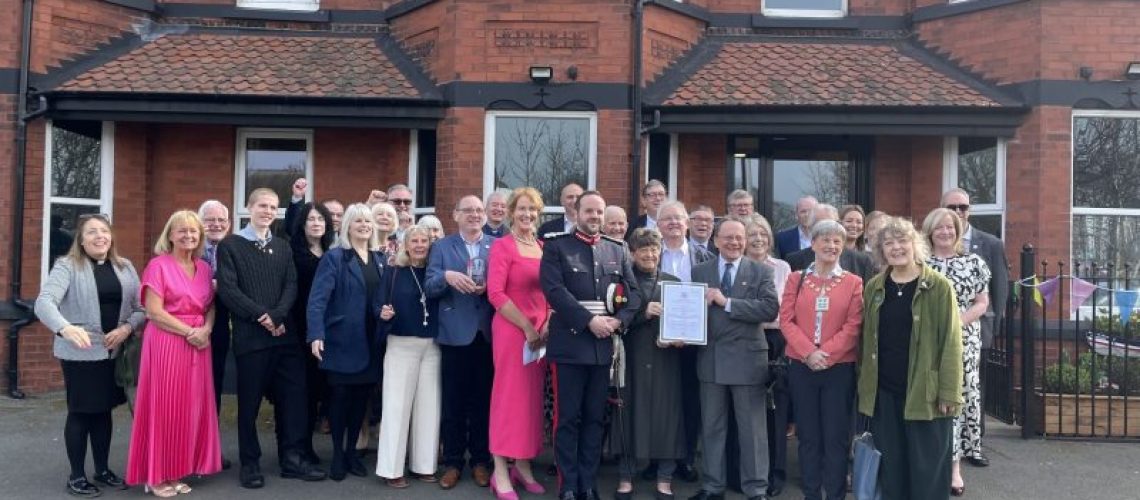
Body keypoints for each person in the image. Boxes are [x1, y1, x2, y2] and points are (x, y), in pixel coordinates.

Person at [215, 188, 325, 489]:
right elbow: (228, 289)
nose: (267, 211)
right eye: (262, 205)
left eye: (273, 207)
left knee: (294, 400)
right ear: (249, 207)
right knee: (248, 406)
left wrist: (277, 316)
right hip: (252, 340)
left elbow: (291, 285)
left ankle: (292, 459)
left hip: (285, 339)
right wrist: (263, 316)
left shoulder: (283, 246)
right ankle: (250, 464)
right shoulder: (230, 246)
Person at [35, 213, 145, 498]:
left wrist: (126, 328)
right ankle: (76, 476)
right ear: (81, 240)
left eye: (104, 231)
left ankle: (102, 469)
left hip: (115, 352)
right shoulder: (67, 266)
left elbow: (141, 308)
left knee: (104, 410)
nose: (100, 237)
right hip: (80, 355)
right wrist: (64, 328)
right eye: (92, 232)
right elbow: (44, 302)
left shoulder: (125, 266)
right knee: (82, 412)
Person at [541, 191, 641, 500]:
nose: (595, 217)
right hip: (571, 343)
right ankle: (568, 484)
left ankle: (588, 481)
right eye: (589, 211)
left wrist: (618, 321)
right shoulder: (557, 246)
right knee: (568, 418)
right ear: (576, 211)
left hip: (603, 347)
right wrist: (589, 321)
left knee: (595, 418)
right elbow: (554, 290)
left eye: (599, 212)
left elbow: (634, 295)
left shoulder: (618, 250)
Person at [858, 216, 963, 500]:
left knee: (927, 471)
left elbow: (951, 342)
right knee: (892, 469)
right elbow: (866, 341)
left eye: (902, 241)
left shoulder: (938, 287)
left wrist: (949, 392)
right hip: (886, 393)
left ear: (915, 244)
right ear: (881, 251)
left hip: (926, 395)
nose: (896, 248)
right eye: (888, 243)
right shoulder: (874, 288)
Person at [126, 210, 223, 496]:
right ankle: (156, 475)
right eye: (182, 231)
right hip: (167, 342)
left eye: (194, 231)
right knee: (165, 408)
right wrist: (190, 333)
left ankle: (178, 470)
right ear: (170, 235)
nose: (189, 236)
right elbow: (154, 313)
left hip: (199, 344)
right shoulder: (158, 266)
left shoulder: (204, 269)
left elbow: (210, 306)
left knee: (189, 410)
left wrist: (205, 329)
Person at [689, 217, 779, 500]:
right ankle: (713, 486)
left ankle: (756, 489)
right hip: (711, 358)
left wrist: (726, 302)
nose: (734, 243)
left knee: (752, 430)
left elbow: (769, 309)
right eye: (728, 238)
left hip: (747, 360)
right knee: (713, 427)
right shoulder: (699, 270)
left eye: (739, 238)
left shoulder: (760, 271)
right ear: (716, 241)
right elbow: (690, 312)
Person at [779, 219, 864, 500]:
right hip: (802, 367)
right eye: (825, 240)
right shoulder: (796, 278)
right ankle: (811, 494)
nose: (831, 245)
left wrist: (825, 354)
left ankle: (836, 494)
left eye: (837, 241)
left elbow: (853, 326)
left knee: (836, 438)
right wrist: (808, 352)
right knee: (809, 437)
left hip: (838, 369)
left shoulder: (854, 282)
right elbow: (786, 321)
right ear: (813, 244)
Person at [306, 203, 386, 481]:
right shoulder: (335, 258)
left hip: (371, 342)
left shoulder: (379, 259)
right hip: (342, 341)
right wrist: (316, 334)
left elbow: (382, 299)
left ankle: (352, 452)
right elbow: (318, 299)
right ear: (347, 226)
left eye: (368, 221)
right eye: (358, 221)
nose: (364, 225)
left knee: (360, 402)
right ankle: (338, 455)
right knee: (340, 401)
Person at [426, 195, 496, 490]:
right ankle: (453, 462)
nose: (474, 215)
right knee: (453, 403)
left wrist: (490, 287)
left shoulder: (497, 245)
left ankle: (481, 461)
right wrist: (447, 276)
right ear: (455, 215)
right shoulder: (442, 247)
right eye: (467, 210)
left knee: (482, 402)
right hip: (455, 335)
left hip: (487, 334)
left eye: (479, 210)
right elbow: (430, 285)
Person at [486, 187, 551, 499]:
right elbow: (496, 294)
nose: (528, 215)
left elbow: (551, 290)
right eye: (523, 209)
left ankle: (522, 467)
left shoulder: (541, 246)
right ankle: (500, 471)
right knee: (508, 400)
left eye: (533, 210)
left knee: (531, 402)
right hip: (514, 331)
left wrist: (547, 320)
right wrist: (526, 326)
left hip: (540, 335)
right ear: (511, 212)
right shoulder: (503, 247)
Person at [922, 208, 991, 496]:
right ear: (930, 231)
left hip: (963, 340)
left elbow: (981, 303)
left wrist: (954, 324)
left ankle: (954, 470)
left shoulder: (974, 262)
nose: (945, 232)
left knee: (956, 400)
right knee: (926, 398)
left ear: (958, 230)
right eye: (939, 228)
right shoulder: (920, 263)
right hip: (925, 340)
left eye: (950, 227)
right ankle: (926, 464)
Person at [614, 228, 687, 500]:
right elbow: (616, 323)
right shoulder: (622, 283)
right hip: (631, 358)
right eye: (643, 249)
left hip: (666, 359)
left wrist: (681, 340)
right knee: (628, 416)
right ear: (632, 253)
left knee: (668, 416)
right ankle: (625, 476)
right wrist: (644, 314)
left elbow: (685, 323)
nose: (649, 254)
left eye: (654, 249)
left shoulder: (674, 281)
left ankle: (664, 479)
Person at [648, 201, 711, 484]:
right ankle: (653, 458)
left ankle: (685, 459)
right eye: (667, 219)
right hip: (655, 340)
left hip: (694, 342)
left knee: (689, 401)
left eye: (678, 218)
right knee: (656, 400)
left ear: (687, 223)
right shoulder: (648, 255)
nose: (673, 223)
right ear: (658, 225)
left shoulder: (706, 256)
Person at [375, 225, 442, 488]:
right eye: (414, 240)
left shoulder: (434, 271)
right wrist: (382, 312)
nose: (419, 245)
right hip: (401, 343)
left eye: (424, 240)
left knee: (429, 406)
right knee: (396, 407)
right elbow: (377, 303)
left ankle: (424, 465)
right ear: (405, 244)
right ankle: (391, 468)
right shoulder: (394, 271)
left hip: (432, 345)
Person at [942, 189, 1009, 391]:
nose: (957, 211)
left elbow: (1000, 289)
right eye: (951, 207)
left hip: (978, 331)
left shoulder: (992, 244)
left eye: (962, 207)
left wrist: (994, 327)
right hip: (940, 329)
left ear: (969, 210)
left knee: (974, 390)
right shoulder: (931, 243)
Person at [744, 215, 792, 497]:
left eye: (763, 234)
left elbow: (786, 309)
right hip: (745, 339)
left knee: (776, 410)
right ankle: (748, 472)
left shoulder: (783, 267)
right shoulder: (738, 268)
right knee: (747, 409)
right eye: (752, 235)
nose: (758, 239)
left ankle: (776, 473)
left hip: (778, 340)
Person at [288, 202, 335, 465]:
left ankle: (310, 447)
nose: (316, 223)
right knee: (302, 393)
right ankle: (300, 447)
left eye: (321, 219)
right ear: (302, 224)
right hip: (299, 330)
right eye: (311, 219)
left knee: (319, 392)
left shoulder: (332, 252)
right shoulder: (293, 252)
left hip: (327, 331)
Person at [198, 200, 232, 453]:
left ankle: (209, 449)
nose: (216, 224)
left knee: (214, 386)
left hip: (220, 326)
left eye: (221, 220)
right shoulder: (190, 248)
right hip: (191, 327)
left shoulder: (234, 249)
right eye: (210, 220)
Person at [786, 204, 875, 281]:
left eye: (833, 224)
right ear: (811, 228)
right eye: (822, 225)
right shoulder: (794, 260)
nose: (828, 229)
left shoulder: (862, 261)